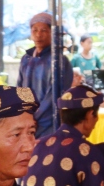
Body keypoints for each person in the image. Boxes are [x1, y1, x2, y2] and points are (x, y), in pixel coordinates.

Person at [18, 12, 75, 140]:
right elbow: (19, 89)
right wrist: (25, 114)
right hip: (28, 122)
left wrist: (36, 116)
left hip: (51, 121)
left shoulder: (59, 61)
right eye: (35, 30)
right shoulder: (26, 59)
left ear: (52, 33)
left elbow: (56, 94)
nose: (39, 34)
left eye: (44, 30)